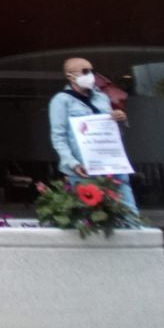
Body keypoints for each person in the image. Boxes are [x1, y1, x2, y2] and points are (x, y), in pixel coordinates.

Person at [49, 57, 137, 215]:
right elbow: (58, 137)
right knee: (90, 215)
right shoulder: (61, 101)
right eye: (85, 71)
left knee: (128, 211)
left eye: (91, 71)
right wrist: (72, 163)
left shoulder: (101, 97)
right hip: (83, 168)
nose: (90, 75)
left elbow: (112, 132)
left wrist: (120, 119)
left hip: (112, 164)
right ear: (70, 76)